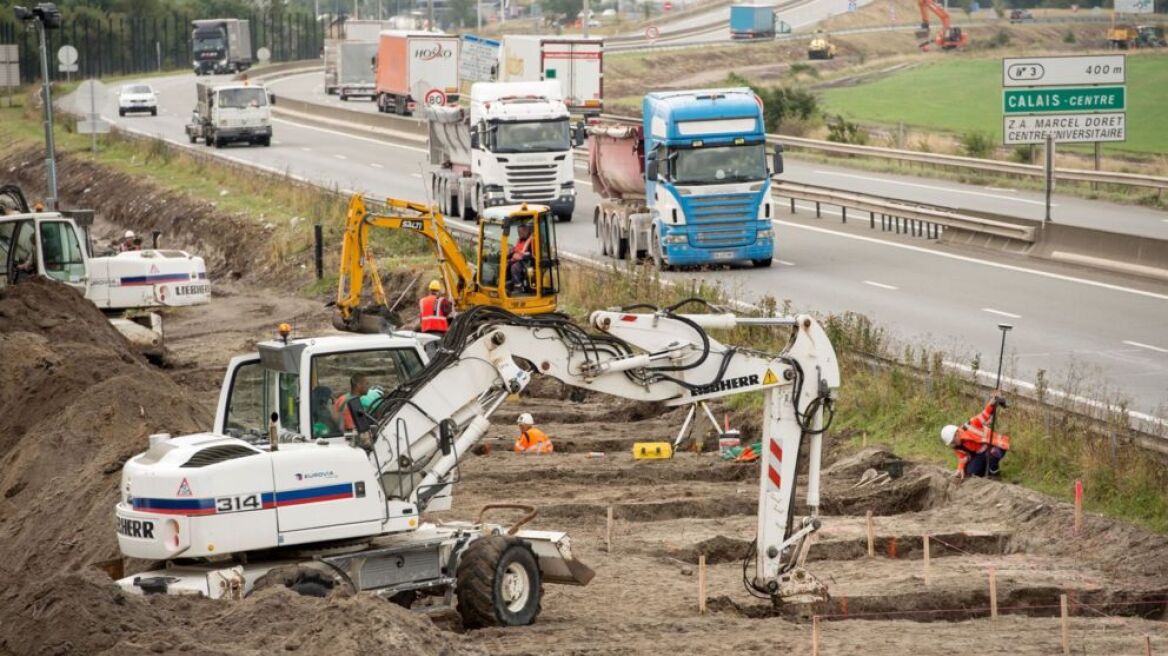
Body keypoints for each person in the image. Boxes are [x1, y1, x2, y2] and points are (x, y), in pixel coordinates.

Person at [941, 390, 1011, 479]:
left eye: (953, 441)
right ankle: (987, 471)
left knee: (992, 454)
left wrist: (992, 402)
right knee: (970, 472)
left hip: (995, 445)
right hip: (980, 454)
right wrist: (960, 469)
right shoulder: (956, 446)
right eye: (951, 443)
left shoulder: (971, 425)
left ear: (957, 434)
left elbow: (984, 414)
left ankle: (995, 475)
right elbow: (963, 458)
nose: (953, 444)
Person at [508, 223, 534, 291]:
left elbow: (525, 252)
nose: (520, 233)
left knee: (514, 268)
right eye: (519, 232)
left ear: (527, 231)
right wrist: (511, 251)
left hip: (525, 262)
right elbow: (515, 248)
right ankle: (508, 282)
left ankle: (518, 285)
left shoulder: (530, 240)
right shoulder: (520, 239)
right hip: (516, 258)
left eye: (521, 232)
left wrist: (517, 255)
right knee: (505, 264)